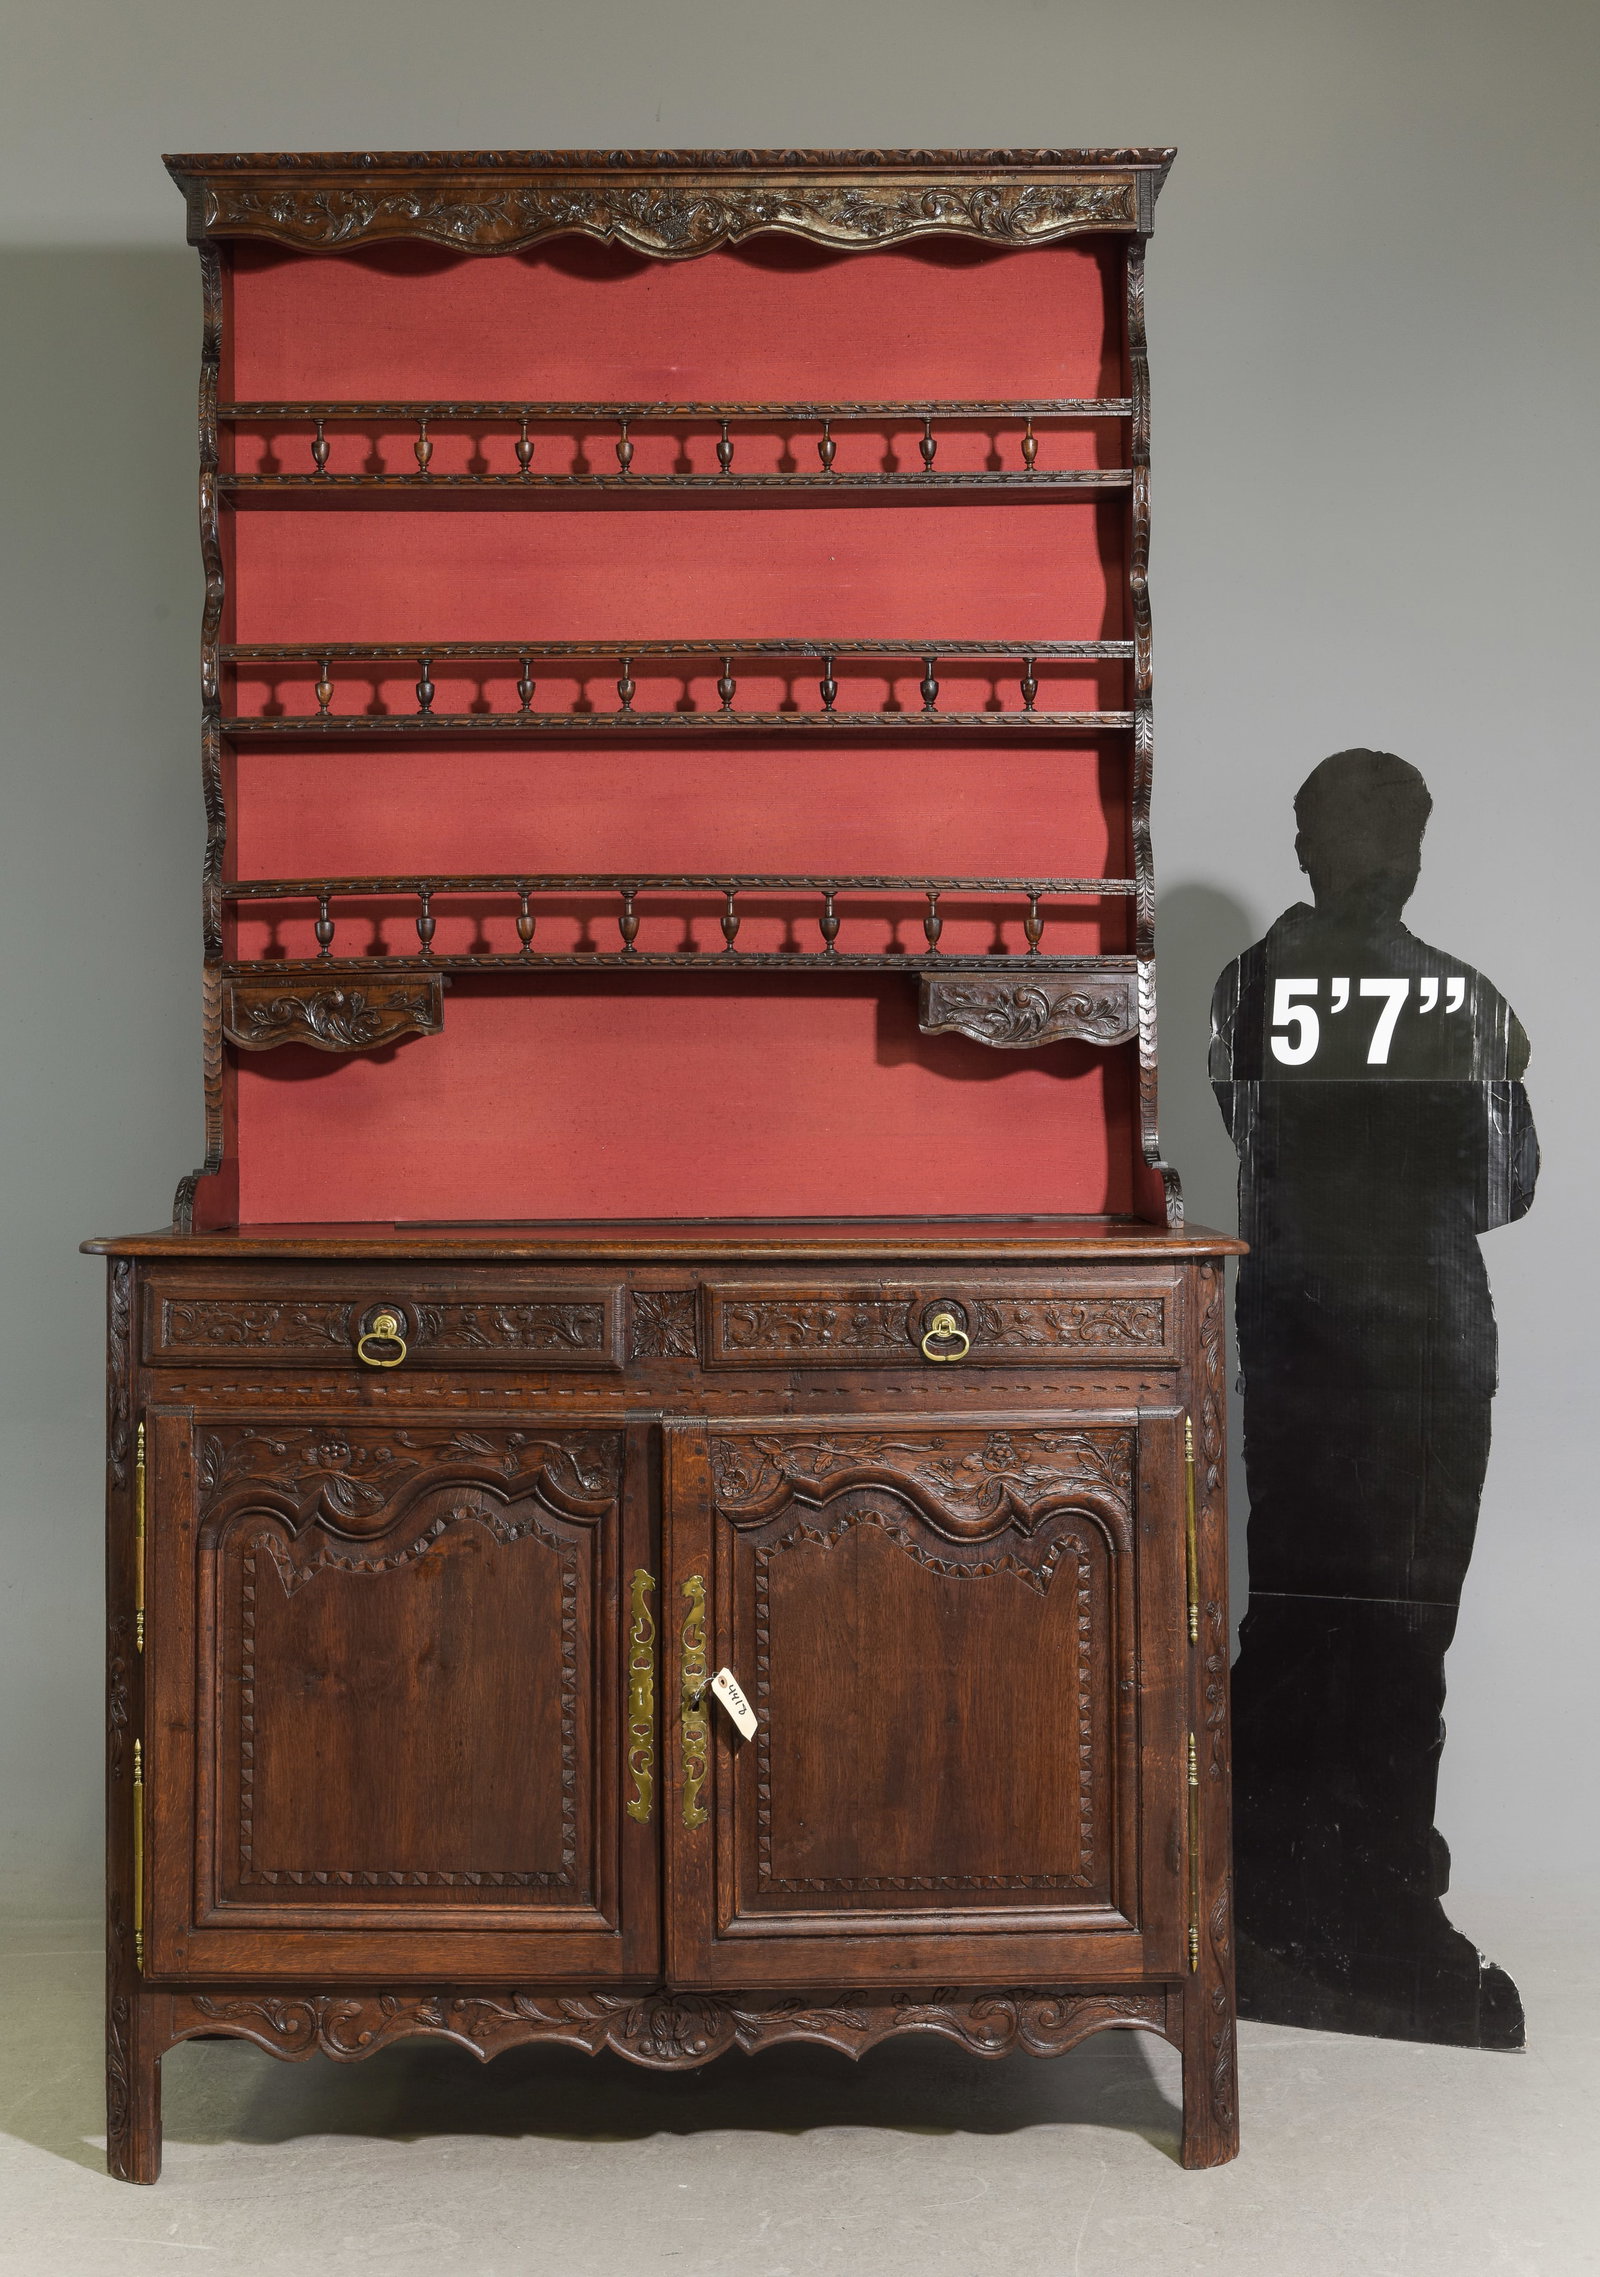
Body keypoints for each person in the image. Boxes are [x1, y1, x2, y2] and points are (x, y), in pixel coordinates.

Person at [1211, 749, 1537, 2046]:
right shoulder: (1465, 1003)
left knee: (1302, 1605)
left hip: (1303, 1327)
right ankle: (1369, 1897)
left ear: (1306, 847)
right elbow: (1509, 1182)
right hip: (1428, 1347)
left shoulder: (1250, 985)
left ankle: (1298, 1886)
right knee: (1400, 1624)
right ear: (1409, 846)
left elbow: (1253, 1133)